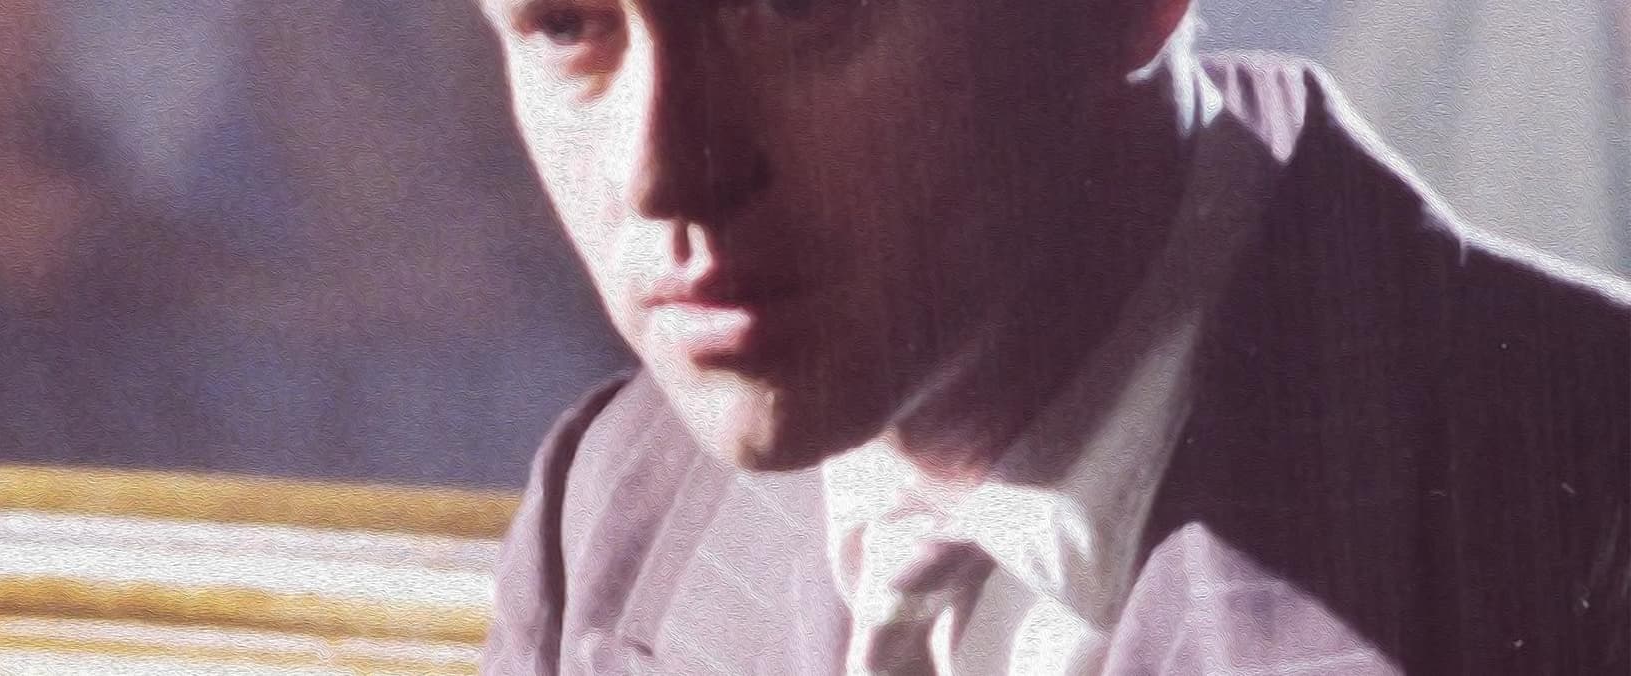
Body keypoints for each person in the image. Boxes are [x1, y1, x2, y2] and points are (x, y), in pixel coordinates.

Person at [474, 0, 1631, 673]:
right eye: (564, 23)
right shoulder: (608, 506)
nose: (666, 172)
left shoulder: (1588, 516)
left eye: (797, 4)